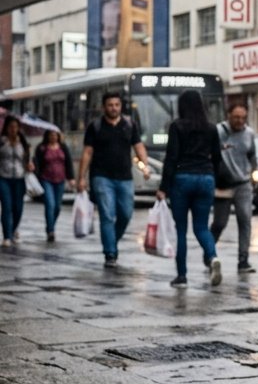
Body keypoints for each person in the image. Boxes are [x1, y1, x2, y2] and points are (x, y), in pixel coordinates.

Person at [156, 89, 222, 289]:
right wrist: (213, 178)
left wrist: (163, 187)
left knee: (182, 231)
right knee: (202, 227)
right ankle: (212, 258)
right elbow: (218, 158)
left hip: (182, 179)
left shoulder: (177, 126)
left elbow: (171, 158)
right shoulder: (211, 128)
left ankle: (182, 276)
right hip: (206, 178)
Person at [77, 92, 151, 269]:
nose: (114, 108)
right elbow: (87, 152)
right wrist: (81, 178)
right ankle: (110, 253)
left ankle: (111, 240)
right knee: (107, 215)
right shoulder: (95, 127)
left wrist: (145, 166)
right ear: (104, 107)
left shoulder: (129, 125)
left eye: (117, 105)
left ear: (121, 106)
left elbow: (139, 147)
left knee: (126, 214)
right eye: (110, 105)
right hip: (101, 177)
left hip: (125, 177)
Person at [211, 102, 258, 274]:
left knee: (245, 219)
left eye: (243, 118)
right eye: (236, 117)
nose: (240, 121)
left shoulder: (249, 133)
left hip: (243, 183)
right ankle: (209, 252)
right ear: (228, 116)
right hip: (223, 183)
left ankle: (243, 260)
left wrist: (255, 172)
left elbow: (252, 154)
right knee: (219, 223)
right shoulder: (218, 131)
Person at [33, 129, 75, 242]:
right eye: (51, 135)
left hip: (60, 180)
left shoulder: (63, 147)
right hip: (46, 179)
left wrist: (71, 178)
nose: (54, 137)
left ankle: (50, 225)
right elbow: (36, 163)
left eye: (56, 135)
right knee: (50, 204)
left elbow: (68, 163)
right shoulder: (41, 148)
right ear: (47, 136)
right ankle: (51, 231)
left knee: (57, 207)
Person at [0, 116, 33, 247]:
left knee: (18, 208)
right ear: (6, 128)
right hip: (3, 178)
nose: (13, 130)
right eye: (11, 127)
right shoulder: (2, 142)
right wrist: (8, 144)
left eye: (15, 127)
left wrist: (29, 165)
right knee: (7, 206)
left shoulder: (23, 142)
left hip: (20, 178)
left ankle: (13, 230)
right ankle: (7, 236)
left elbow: (27, 160)